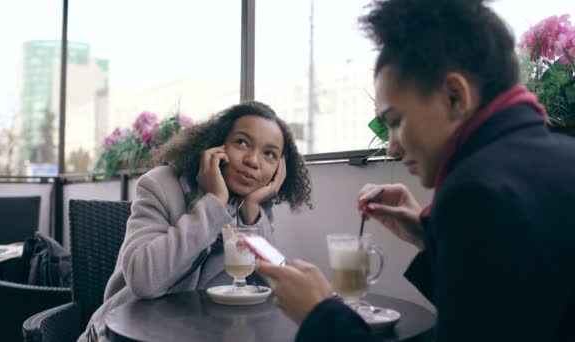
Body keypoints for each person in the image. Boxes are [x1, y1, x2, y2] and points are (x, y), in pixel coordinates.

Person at [257, 0, 575, 341]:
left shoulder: (477, 191)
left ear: (455, 96)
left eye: (395, 121)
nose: (392, 146)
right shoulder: (558, 158)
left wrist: (319, 314)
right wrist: (428, 235)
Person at [80, 101, 312, 341]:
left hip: (198, 334)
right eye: (242, 142)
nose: (253, 160)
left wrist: (251, 215)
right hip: (125, 335)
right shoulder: (160, 184)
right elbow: (144, 281)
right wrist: (214, 203)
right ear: (217, 143)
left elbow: (274, 287)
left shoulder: (252, 205)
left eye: (269, 154)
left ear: (278, 169)